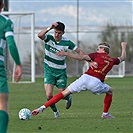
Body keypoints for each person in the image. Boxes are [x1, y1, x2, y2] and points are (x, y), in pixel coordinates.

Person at [32, 41, 127, 119]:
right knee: (110, 91)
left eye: (98, 48)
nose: (97, 50)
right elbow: (123, 58)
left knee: (63, 94)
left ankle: (41, 108)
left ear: (103, 49)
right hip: (96, 83)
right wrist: (123, 46)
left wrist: (66, 53)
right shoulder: (112, 60)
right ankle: (105, 114)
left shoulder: (96, 55)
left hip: (84, 78)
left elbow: (81, 57)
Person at [37, 21, 85, 118]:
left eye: (59, 33)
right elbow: (39, 35)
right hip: (49, 70)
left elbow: (79, 51)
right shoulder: (49, 38)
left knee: (62, 91)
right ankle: (56, 112)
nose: (56, 35)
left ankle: (68, 97)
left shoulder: (67, 42)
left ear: (63, 33)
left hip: (60, 71)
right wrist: (49, 28)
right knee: (49, 95)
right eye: (55, 32)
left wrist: (87, 59)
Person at [0, 0, 22, 133]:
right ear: (2, 5)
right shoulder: (6, 22)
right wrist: (18, 64)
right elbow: (11, 44)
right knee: (2, 104)